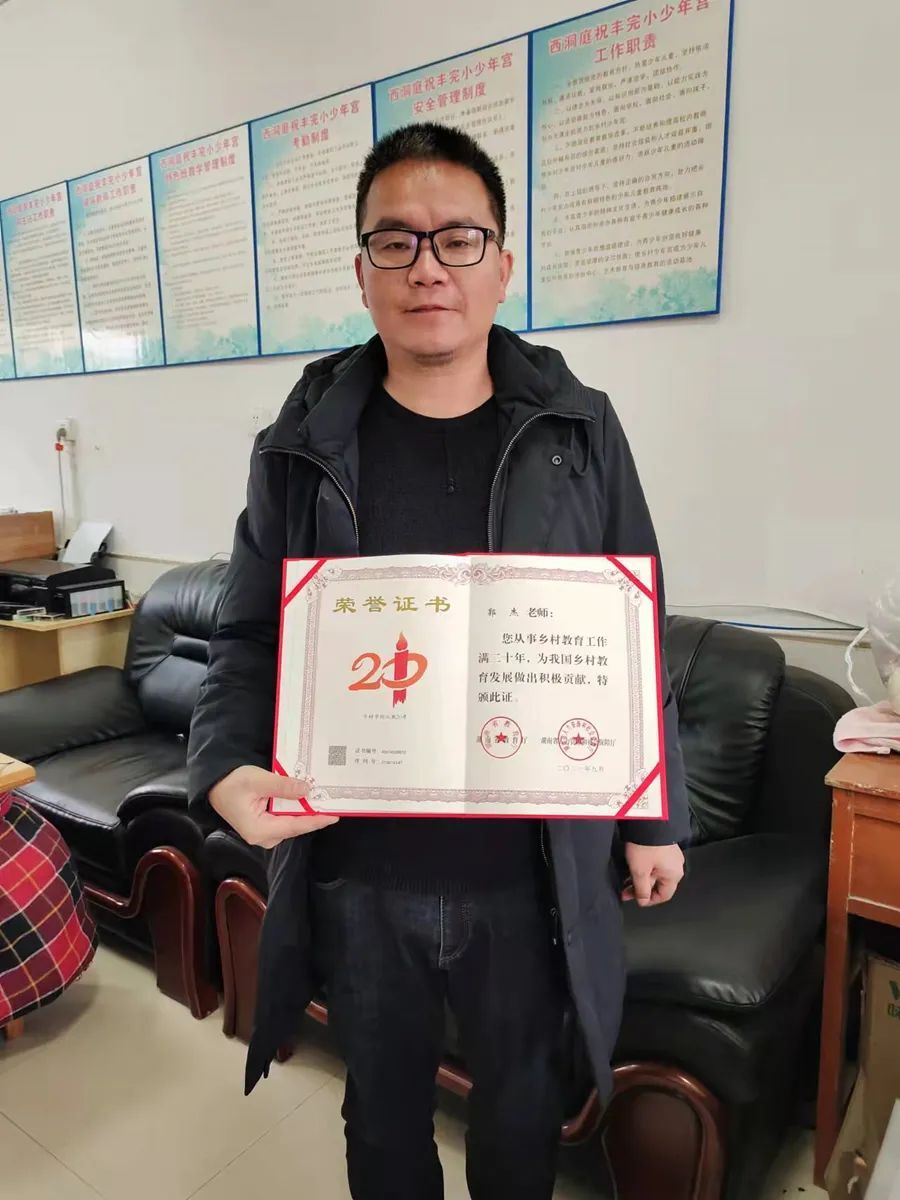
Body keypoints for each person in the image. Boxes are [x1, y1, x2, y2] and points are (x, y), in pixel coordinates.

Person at [188, 122, 690, 1200]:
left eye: (459, 238)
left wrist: (653, 814)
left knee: (520, 1123)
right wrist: (223, 766)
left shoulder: (579, 428)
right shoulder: (301, 443)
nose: (429, 268)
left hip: (531, 874)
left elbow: (627, 629)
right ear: (362, 272)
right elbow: (249, 633)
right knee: (381, 1124)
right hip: (360, 870)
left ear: (502, 264)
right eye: (397, 241)